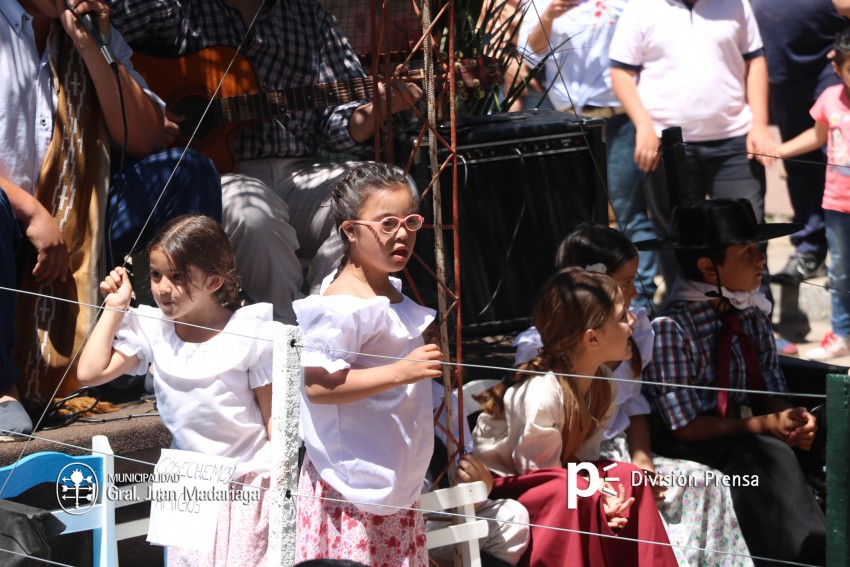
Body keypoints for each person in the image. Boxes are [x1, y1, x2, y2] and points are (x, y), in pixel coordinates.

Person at [106, 0, 422, 325]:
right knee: (254, 217)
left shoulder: (309, 18)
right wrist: (143, 101)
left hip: (302, 170)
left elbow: (336, 125)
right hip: (220, 173)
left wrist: (375, 112)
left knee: (381, 197)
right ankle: (282, 340)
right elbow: (101, 26)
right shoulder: (178, 9)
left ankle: (334, 327)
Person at [0, 0, 221, 432]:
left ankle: (145, 357)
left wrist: (90, 48)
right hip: (8, 215)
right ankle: (2, 390)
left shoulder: (91, 31)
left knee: (185, 172)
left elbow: (147, 138)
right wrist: (30, 210)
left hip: (84, 223)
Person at [514, 224, 752, 566]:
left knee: (705, 481)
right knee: (631, 492)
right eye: (626, 283)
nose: (635, 294)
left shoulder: (632, 332)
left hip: (618, 451)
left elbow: (634, 404)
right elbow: (546, 457)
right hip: (564, 465)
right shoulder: (538, 350)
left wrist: (643, 461)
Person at [77, 214, 276, 566]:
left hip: (246, 482)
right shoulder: (154, 330)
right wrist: (115, 307)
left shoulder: (247, 334)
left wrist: (281, 483)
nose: (162, 288)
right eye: (155, 275)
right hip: (187, 482)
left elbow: (273, 418)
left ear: (214, 281)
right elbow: (90, 372)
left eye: (178, 277)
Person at [639, 199, 826, 565]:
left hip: (748, 428)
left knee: (827, 425)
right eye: (747, 252)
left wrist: (790, 418)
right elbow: (685, 427)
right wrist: (760, 426)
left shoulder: (751, 313)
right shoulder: (671, 330)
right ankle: (809, 553)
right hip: (696, 441)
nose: (761, 259)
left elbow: (770, 388)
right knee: (763, 454)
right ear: (710, 268)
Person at [473, 267, 678, 567]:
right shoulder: (542, 393)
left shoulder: (603, 385)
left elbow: (582, 461)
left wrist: (604, 493)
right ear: (592, 339)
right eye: (622, 317)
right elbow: (541, 477)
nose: (632, 321)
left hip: (561, 482)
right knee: (571, 493)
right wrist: (595, 498)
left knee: (629, 477)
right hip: (508, 490)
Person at [293, 163, 441, 565]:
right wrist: (402, 370)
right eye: (387, 223)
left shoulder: (387, 290)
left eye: (411, 221)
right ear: (351, 231)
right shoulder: (343, 304)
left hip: (392, 479)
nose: (403, 234)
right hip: (352, 490)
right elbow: (318, 387)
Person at [609, 0, 776, 291]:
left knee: (747, 236)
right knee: (679, 241)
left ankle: (754, 320)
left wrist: (760, 123)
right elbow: (621, 72)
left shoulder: (736, 4)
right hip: (668, 146)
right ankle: (684, 324)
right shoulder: (640, 8)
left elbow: (755, 60)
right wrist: (644, 126)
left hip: (735, 140)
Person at [517, 0, 657, 308]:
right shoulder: (541, 3)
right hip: (567, 120)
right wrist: (551, 13)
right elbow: (531, 53)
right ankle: (581, 302)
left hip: (619, 117)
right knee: (572, 215)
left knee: (628, 212)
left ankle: (641, 302)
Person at [751, 0, 848, 284]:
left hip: (829, 64)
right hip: (781, 69)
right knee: (799, 163)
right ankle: (810, 249)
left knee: (839, 151)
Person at [778, 28, 850, 360]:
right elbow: (817, 136)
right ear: (838, 69)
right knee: (839, 272)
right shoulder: (830, 99)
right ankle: (841, 334)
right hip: (837, 204)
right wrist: (780, 152)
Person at [428, 382, 530, 566]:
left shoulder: (442, 399)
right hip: (391, 525)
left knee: (513, 517)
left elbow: (462, 474)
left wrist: (481, 486)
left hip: (437, 515)